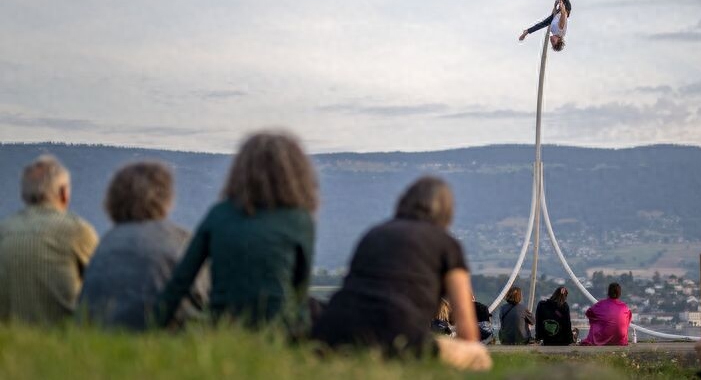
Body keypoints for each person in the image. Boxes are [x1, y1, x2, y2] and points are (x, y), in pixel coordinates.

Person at [312, 177, 491, 371]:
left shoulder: (373, 234)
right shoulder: (447, 244)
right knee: (478, 357)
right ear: (447, 211)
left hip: (334, 328)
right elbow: (467, 330)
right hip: (398, 334)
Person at [155, 131, 317, 332]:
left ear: (240, 171)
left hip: (223, 326)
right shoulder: (300, 220)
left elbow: (181, 280)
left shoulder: (219, 214)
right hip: (279, 330)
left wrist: (153, 327)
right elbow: (300, 291)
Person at [77, 162, 209, 330]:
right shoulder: (181, 241)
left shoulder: (105, 244)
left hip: (102, 340)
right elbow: (205, 294)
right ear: (165, 198)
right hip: (170, 339)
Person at [0, 155, 98, 324]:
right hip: (65, 339)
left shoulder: (4, 230)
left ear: (24, 194)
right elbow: (104, 280)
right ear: (63, 193)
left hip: (9, 342)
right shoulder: (77, 231)